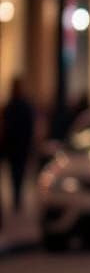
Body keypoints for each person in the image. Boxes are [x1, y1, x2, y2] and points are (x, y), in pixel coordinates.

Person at [1, 77, 36, 212]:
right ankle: (17, 199)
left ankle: (17, 199)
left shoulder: (14, 106)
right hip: (16, 148)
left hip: (17, 148)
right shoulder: (13, 106)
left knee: (17, 175)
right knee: (16, 175)